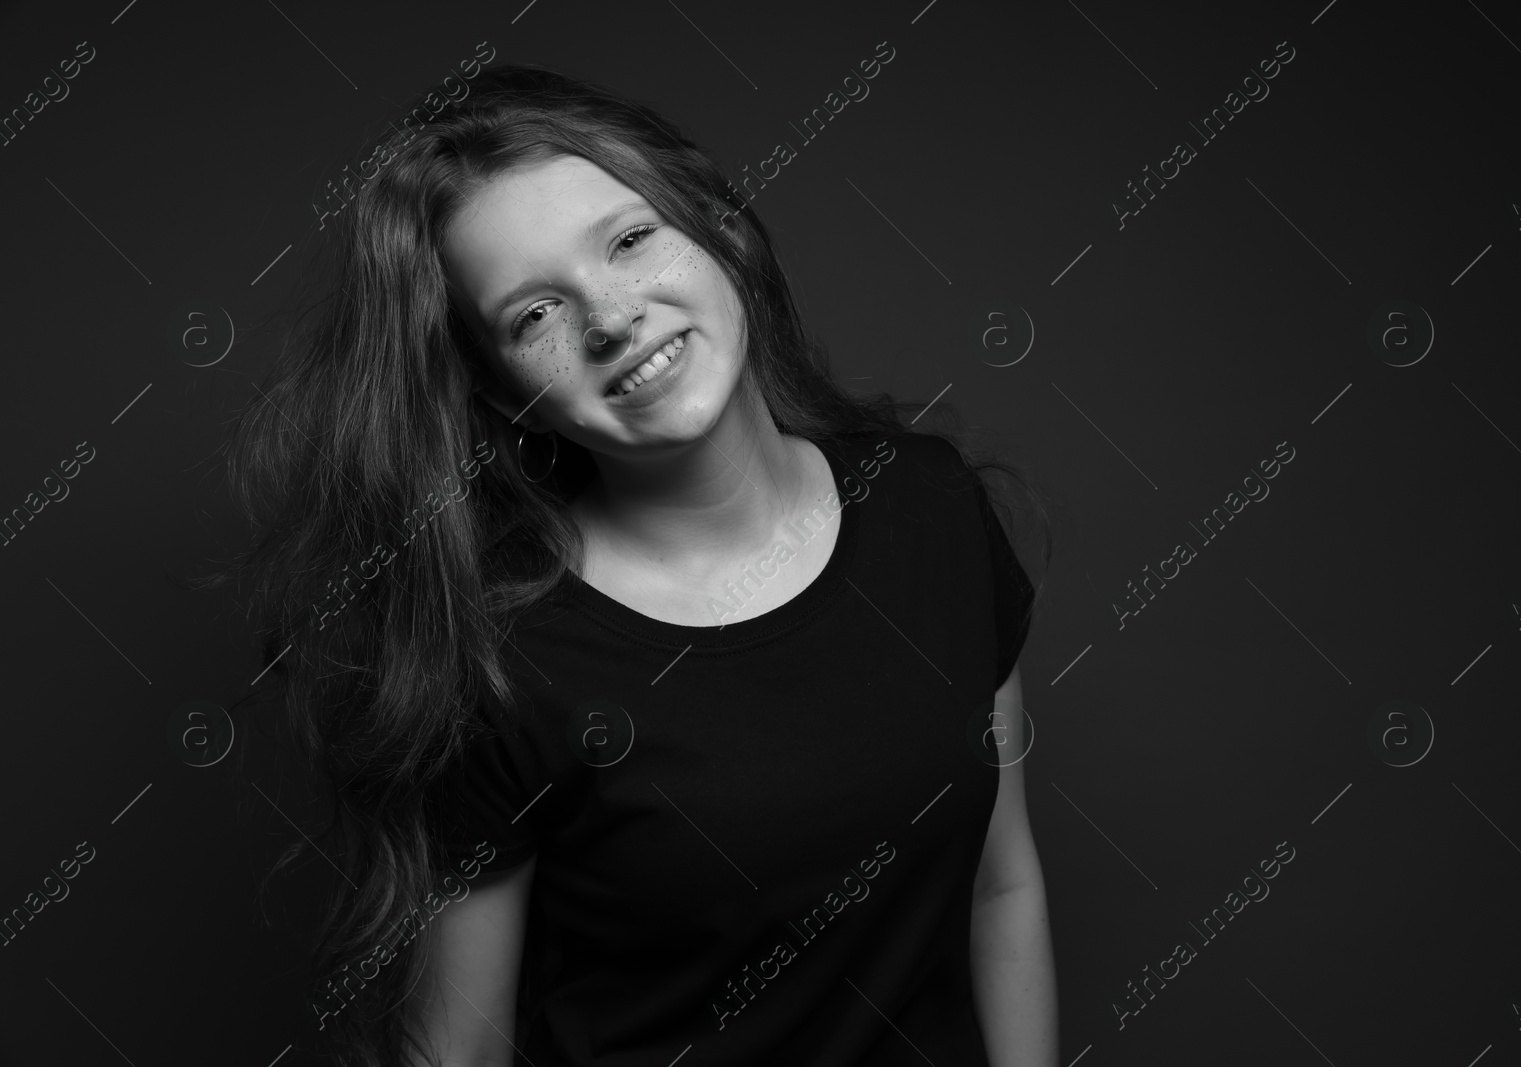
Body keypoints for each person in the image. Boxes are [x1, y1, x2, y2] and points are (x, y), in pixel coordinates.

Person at [217, 64, 1058, 1067]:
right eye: (535, 314)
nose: (608, 319)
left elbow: (1001, 885)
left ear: (719, 228)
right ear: (499, 394)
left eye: (628, 240)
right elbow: (456, 1049)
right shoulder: (503, 656)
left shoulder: (933, 510)